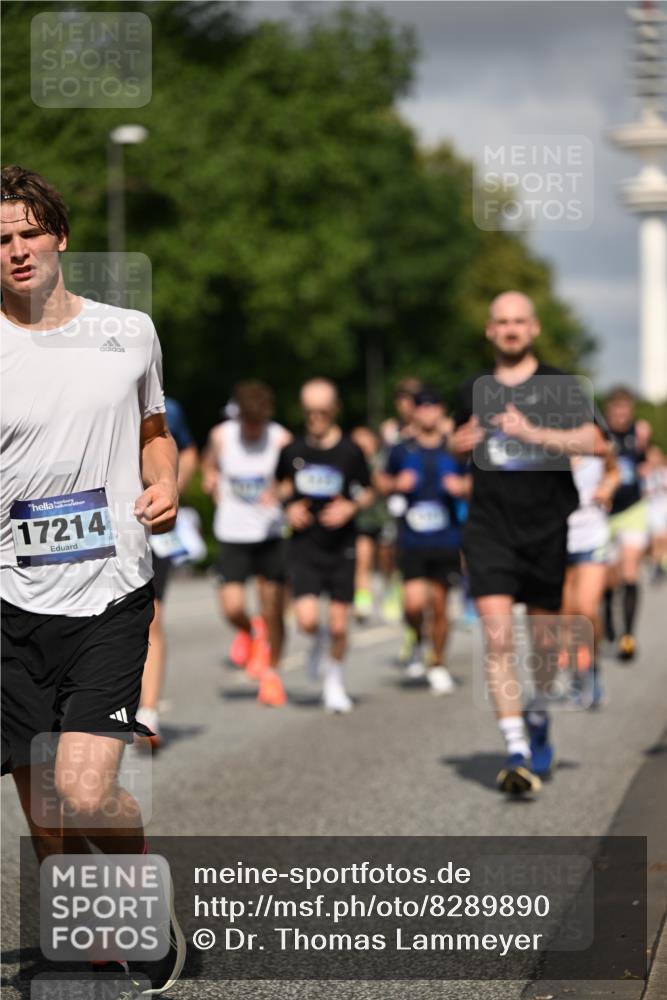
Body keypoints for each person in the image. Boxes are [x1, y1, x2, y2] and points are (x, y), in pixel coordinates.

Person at [0, 166, 184, 992]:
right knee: (45, 812)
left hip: (110, 590)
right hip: (9, 598)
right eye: (1, 240)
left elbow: (154, 428)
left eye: (29, 233)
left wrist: (165, 480)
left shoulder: (128, 332)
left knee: (82, 790)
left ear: (60, 237)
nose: (16, 250)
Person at [452, 290, 605, 796]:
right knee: (498, 639)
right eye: (502, 322)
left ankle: (537, 716)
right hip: (489, 528)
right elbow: (453, 443)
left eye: (519, 321)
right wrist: (457, 443)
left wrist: (537, 433)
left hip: (546, 528)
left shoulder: (561, 386)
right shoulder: (472, 389)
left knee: (544, 645)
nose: (511, 329)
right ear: (490, 330)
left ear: (534, 328)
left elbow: (596, 442)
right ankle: (516, 748)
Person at [276, 378, 373, 713]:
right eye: (309, 412)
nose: (315, 418)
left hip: (341, 544)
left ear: (335, 409)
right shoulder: (292, 451)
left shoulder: (350, 450)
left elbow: (369, 489)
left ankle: (334, 681)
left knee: (339, 624)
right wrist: (288, 508)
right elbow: (279, 487)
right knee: (306, 620)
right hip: (305, 544)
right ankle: (317, 642)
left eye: (322, 411)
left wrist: (351, 507)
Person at [202, 381, 291, 707]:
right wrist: (210, 478)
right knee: (232, 607)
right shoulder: (221, 435)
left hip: (270, 532)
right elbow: (208, 464)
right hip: (233, 532)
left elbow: (292, 480)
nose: (253, 430)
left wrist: (279, 492)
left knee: (273, 607)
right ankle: (253, 631)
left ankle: (272, 674)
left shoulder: (280, 438)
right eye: (248, 422)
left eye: (259, 422)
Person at [379, 387, 470, 694]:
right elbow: (379, 481)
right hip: (411, 538)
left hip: (447, 538)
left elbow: (477, 481)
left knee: (441, 607)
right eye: (422, 407)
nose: (428, 413)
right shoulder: (401, 450)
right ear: (414, 412)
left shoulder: (454, 448)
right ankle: (417, 638)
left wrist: (462, 486)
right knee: (414, 605)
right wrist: (396, 483)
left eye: (433, 407)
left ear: (441, 410)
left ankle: (438, 663)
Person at [136, 396, 198, 749]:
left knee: (152, 616)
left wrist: (171, 486)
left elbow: (187, 451)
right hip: (99, 525)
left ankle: (148, 712)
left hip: (149, 526)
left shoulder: (165, 407)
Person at [561, 449, 620, 708]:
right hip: (555, 537)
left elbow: (614, 471)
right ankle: (577, 672)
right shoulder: (544, 444)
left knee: (586, 609)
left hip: (592, 536)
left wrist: (607, 487)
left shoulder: (596, 442)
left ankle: (592, 667)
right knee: (566, 615)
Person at [602, 388, 651, 660]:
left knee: (630, 571)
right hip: (605, 513)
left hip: (633, 509)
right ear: (609, 410)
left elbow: (643, 464)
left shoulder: (637, 433)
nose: (622, 416)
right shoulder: (600, 434)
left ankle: (628, 636)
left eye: (626, 411)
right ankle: (609, 621)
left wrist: (644, 448)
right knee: (609, 577)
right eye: (617, 410)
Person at [350, 426, 392, 623]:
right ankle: (362, 601)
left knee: (386, 559)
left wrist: (371, 472)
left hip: (383, 518)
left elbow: (385, 487)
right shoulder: (350, 463)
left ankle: (390, 589)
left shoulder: (381, 462)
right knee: (362, 560)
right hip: (361, 520)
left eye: (365, 441)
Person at [645, 444, 667, 581]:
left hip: (664, 509)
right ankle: (657, 564)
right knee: (656, 540)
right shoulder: (646, 473)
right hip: (653, 510)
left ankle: (662, 564)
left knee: (664, 539)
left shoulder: (664, 471)